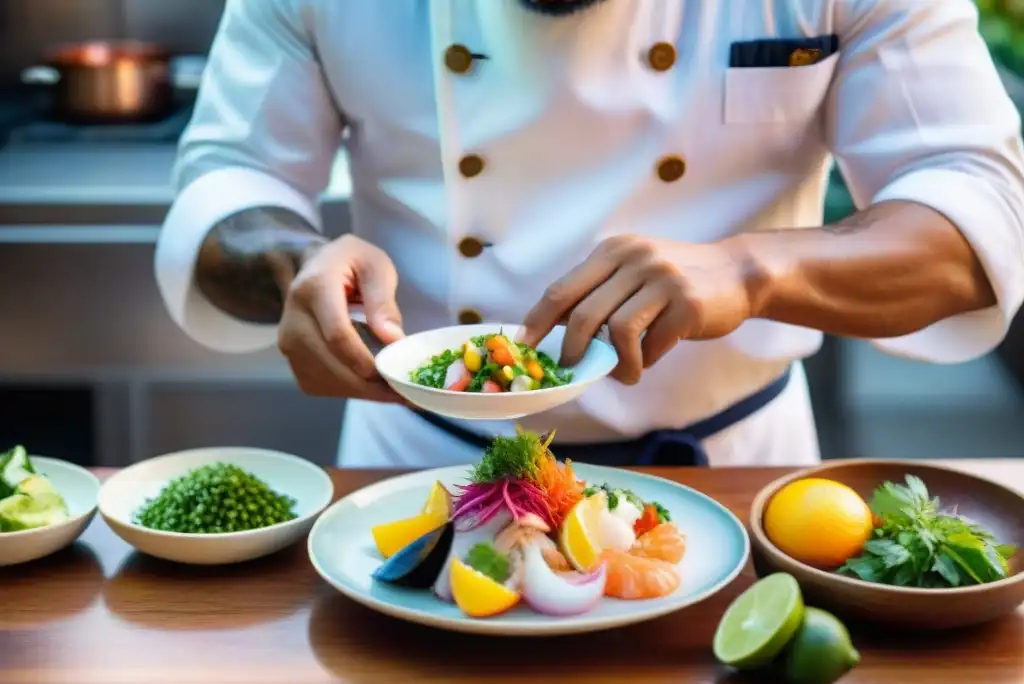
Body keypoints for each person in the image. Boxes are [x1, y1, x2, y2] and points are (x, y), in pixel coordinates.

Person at [155, 0, 1024, 469]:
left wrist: (755, 269)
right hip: (423, 474)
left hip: (733, 472)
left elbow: (978, 214)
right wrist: (297, 267)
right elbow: (233, 182)